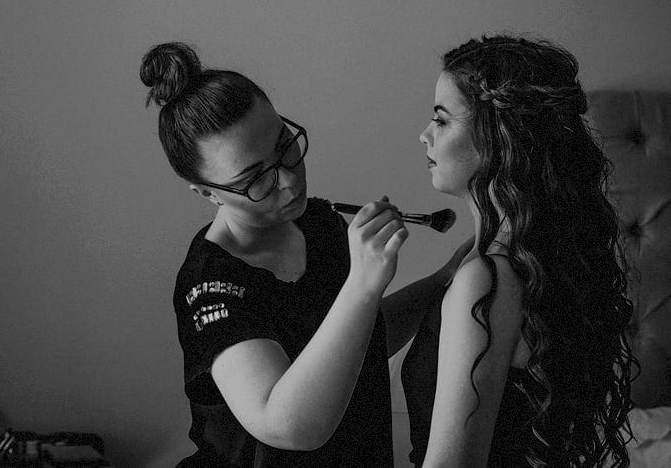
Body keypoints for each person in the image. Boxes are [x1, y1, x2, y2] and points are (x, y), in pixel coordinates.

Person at [140, 42, 469, 467]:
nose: (289, 183)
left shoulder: (317, 223)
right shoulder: (210, 287)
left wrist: (446, 277)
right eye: (254, 179)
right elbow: (291, 426)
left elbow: (363, 339)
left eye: (285, 147)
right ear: (206, 193)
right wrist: (363, 285)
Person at [402, 34, 636, 467]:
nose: (424, 135)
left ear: (497, 136)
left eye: (441, 119)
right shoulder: (534, 263)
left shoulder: (486, 284)